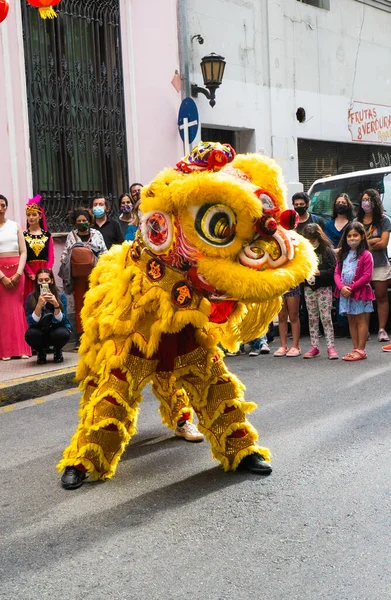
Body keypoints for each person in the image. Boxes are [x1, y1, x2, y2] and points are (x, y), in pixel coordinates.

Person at [59, 208, 107, 348]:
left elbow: (104, 251)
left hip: (95, 276)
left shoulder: (96, 234)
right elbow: (65, 253)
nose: (82, 223)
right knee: (79, 305)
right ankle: (81, 335)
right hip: (78, 278)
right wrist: (65, 262)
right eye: (79, 221)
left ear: (89, 221)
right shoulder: (71, 236)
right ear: (75, 222)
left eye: (84, 221)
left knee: (96, 304)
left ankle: (96, 334)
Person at [334, 222, 375, 361]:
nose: (352, 238)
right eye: (349, 236)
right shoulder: (342, 255)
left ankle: (361, 350)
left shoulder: (366, 255)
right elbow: (337, 273)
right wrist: (341, 287)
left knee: (361, 319)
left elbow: (367, 276)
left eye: (355, 235)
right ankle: (355, 347)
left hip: (359, 292)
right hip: (346, 293)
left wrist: (351, 288)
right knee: (351, 319)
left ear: (362, 236)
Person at [356, 188, 391, 342]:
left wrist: (365, 244)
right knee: (363, 298)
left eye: (369, 199)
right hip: (361, 266)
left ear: (375, 201)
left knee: (381, 296)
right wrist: (373, 241)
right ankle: (365, 330)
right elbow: (355, 245)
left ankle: (382, 329)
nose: (366, 203)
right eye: (363, 199)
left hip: (380, 264)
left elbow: (383, 243)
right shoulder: (356, 221)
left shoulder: (384, 220)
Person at [0, 194, 31, 360]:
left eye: (3, 205)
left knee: (17, 308)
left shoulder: (15, 226)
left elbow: (23, 251)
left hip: (16, 270)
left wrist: (19, 273)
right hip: (0, 274)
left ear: (6, 207)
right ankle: (5, 351)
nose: (0, 208)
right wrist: (2, 277)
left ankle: (22, 349)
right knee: (3, 310)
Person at [302, 223, 338, 359]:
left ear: (319, 237)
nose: (312, 242)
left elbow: (334, 269)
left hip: (324, 288)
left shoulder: (326, 251)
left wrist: (320, 273)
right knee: (312, 317)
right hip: (309, 288)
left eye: (314, 239)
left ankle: (330, 346)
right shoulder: (304, 252)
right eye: (309, 239)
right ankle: (314, 346)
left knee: (326, 317)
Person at [25, 268, 71, 364]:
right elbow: (31, 322)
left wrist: (55, 304)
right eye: (40, 280)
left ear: (52, 280)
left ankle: (57, 350)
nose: (44, 283)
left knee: (62, 333)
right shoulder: (31, 297)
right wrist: (39, 304)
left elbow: (63, 321)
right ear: (37, 282)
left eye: (46, 280)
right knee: (30, 334)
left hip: (56, 330)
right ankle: (41, 352)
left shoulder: (61, 296)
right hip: (40, 331)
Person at [23, 194, 54, 302]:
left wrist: (47, 271)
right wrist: (30, 273)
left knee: (45, 298)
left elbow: (51, 256)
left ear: (39, 216)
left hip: (44, 271)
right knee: (31, 298)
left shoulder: (47, 235)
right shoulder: (23, 235)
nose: (31, 217)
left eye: (34, 214)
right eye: (28, 215)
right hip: (30, 273)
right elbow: (23, 255)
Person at [273, 286, 302, 357]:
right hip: (279, 285)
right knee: (281, 317)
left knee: (293, 316)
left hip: (292, 284)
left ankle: (295, 346)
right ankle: (283, 346)